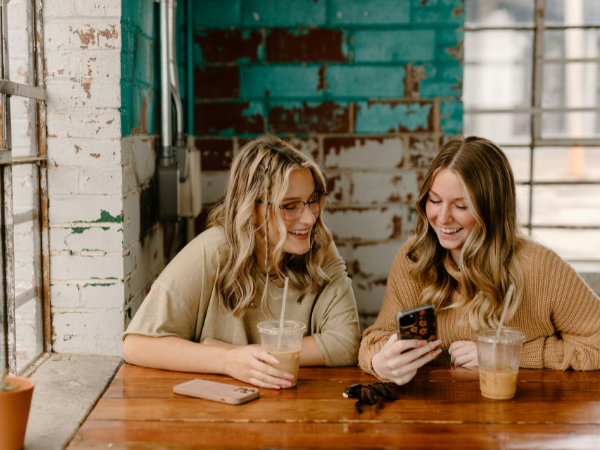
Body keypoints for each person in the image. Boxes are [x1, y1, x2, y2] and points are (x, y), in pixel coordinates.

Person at [359, 136, 600, 385]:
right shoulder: (414, 258)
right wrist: (379, 361)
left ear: (491, 210)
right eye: (435, 200)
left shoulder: (539, 267)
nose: (442, 218)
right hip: (432, 416)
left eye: (461, 206)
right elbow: (376, 337)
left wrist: (507, 354)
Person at [123, 136, 360, 389]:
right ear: (250, 208)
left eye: (313, 201)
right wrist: (226, 360)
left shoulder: (319, 245)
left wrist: (246, 355)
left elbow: (346, 343)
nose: (310, 219)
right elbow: (136, 345)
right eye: (290, 206)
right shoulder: (212, 250)